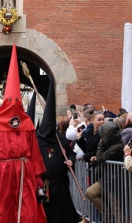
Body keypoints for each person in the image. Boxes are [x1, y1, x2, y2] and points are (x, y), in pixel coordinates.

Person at [0, 44, 47, 223]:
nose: (14, 104)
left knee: (28, 211)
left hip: (25, 172)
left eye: (17, 100)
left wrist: (38, 175)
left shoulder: (27, 123)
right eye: (10, 101)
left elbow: (35, 152)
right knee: (2, 210)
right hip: (1, 173)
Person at [36, 77, 79, 223]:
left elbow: (71, 154)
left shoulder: (60, 139)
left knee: (62, 214)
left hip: (60, 184)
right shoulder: (37, 141)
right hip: (44, 184)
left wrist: (70, 161)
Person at [86, 122, 124, 221]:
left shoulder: (117, 146)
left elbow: (100, 157)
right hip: (106, 178)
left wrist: (100, 144)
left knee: (117, 208)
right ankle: (107, 213)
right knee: (90, 193)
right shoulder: (110, 144)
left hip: (114, 181)